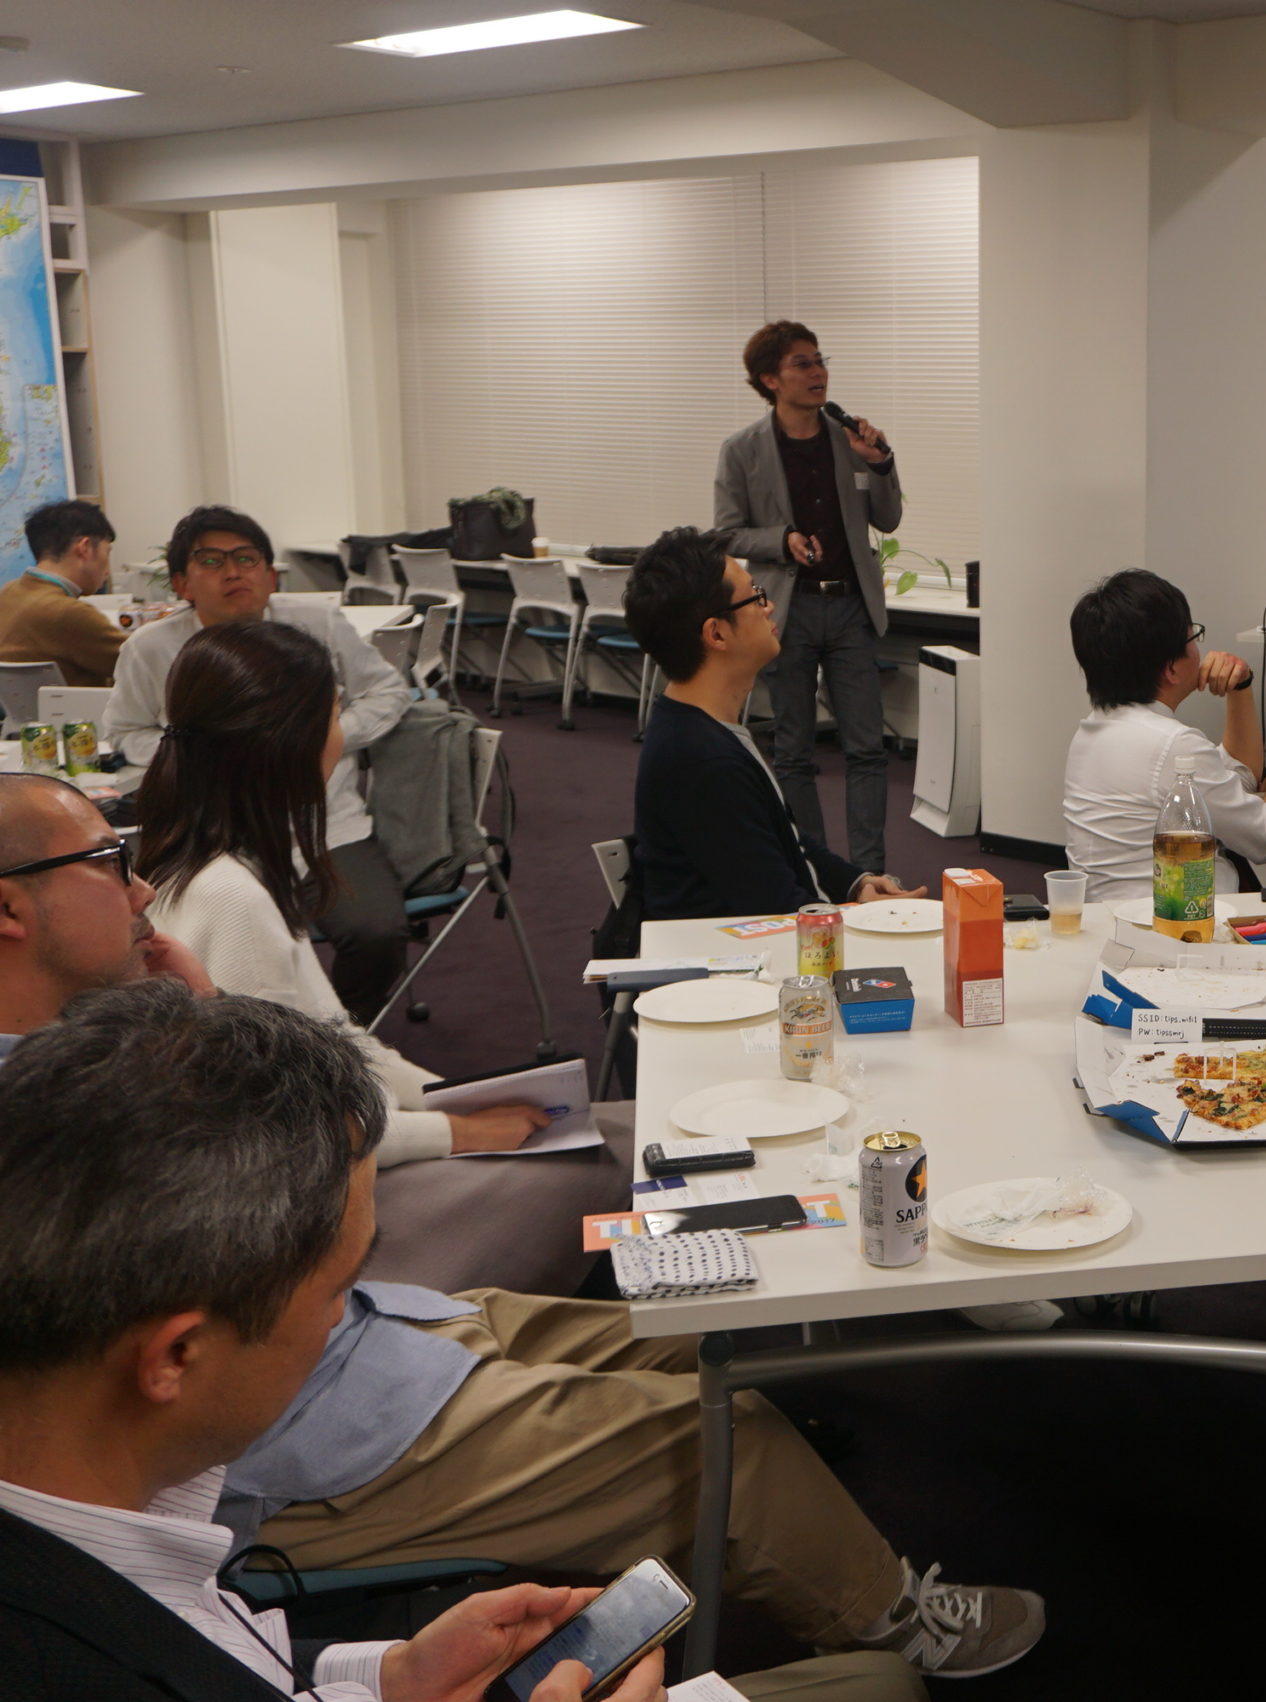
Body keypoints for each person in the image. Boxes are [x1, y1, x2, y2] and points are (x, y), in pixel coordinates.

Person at [0, 778, 1046, 1682]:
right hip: (310, 1432)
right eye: (107, 862)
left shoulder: (71, 1050)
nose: (141, 890)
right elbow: (279, 1221)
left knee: (702, 1323)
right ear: (10, 908)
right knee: (737, 1439)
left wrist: (201, 1027)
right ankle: (891, 1619)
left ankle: (779, 1524)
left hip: (368, 1332)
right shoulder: (44, 1118)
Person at [0, 978, 931, 1702]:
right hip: (358, 1435)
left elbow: (235, 1656)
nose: (341, 1313)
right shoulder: (66, 1649)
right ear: (176, 1357)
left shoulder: (118, 1522)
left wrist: (382, 1675)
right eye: (334, 1291)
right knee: (877, 1681)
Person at [136, 619, 615, 1297]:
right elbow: (295, 1133)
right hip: (324, 1214)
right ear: (290, 742)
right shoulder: (232, 898)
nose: (343, 735)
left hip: (349, 1162)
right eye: (335, 713)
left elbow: (334, 1041)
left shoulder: (218, 865)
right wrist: (457, 1130)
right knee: (611, 1164)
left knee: (608, 1132)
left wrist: (452, 1098)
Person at [103, 505, 413, 1023]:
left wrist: (314, 741)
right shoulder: (152, 648)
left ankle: (346, 1032)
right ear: (181, 583)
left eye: (247, 559)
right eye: (211, 560)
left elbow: (389, 691)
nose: (233, 572)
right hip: (214, 828)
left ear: (272, 575)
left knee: (376, 931)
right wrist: (214, 759)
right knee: (224, 942)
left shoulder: (317, 626)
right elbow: (126, 732)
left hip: (325, 826)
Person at [624, 526, 922, 921]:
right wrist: (866, 919)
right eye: (755, 596)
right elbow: (775, 911)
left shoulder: (707, 729)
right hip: (734, 952)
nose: (769, 607)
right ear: (716, 633)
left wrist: (856, 883)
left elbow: (784, 840)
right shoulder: (701, 761)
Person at [713, 319, 905, 875]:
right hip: (785, 612)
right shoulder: (742, 450)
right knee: (794, 751)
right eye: (803, 363)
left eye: (820, 360)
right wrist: (781, 541)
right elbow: (727, 533)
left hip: (850, 609)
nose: (818, 372)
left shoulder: (850, 440)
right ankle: (816, 871)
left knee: (866, 749)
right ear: (770, 379)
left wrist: (880, 462)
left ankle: (870, 873)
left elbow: (888, 519)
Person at [1062, 569, 1266, 901]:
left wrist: (1240, 686)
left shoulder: (1090, 733)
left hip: (1111, 916)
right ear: (1171, 668)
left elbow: (1238, 779)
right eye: (1193, 637)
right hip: (1177, 922)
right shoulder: (1172, 744)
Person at [0, 498, 125, 685]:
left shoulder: (8, 592)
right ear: (84, 548)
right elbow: (146, 663)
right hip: (82, 704)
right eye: (107, 552)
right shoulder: (69, 613)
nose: (107, 568)